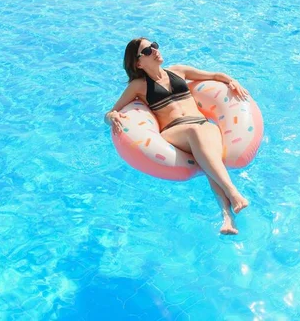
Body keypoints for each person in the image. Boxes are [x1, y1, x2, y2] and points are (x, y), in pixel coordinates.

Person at [105, 38, 250, 235]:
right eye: (147, 50)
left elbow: (215, 75)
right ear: (138, 63)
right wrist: (112, 116)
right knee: (196, 134)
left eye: (154, 45)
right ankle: (234, 193)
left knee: (209, 156)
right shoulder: (138, 86)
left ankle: (227, 217)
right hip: (176, 131)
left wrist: (232, 81)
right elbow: (111, 112)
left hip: (201, 124)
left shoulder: (178, 70)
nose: (155, 50)